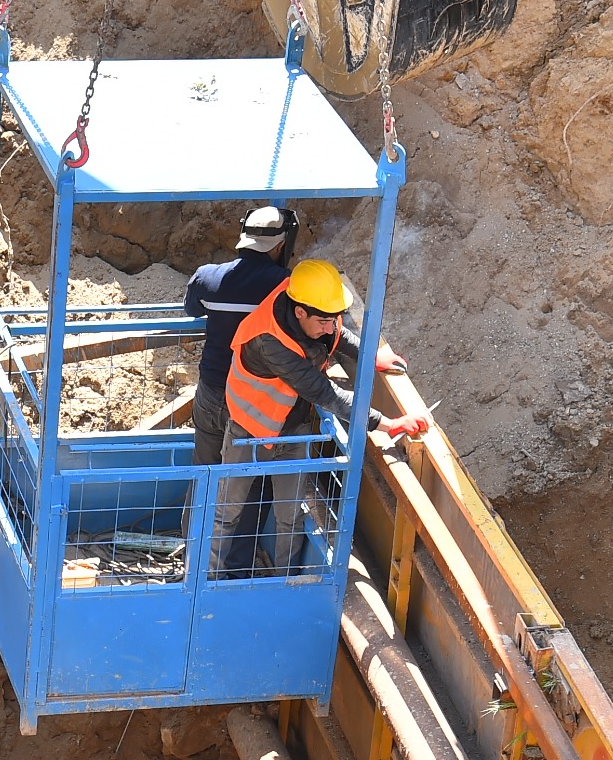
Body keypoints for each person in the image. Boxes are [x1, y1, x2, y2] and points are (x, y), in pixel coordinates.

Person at [214, 257, 428, 575]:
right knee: (227, 513)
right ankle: (206, 582)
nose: (330, 327)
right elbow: (325, 393)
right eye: (323, 322)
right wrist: (386, 423)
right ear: (300, 312)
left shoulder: (314, 305)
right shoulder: (270, 341)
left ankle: (283, 584)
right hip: (249, 431)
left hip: (294, 428)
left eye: (334, 318)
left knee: (290, 515)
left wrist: (371, 356)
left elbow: (336, 334)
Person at [182, 206, 298, 470]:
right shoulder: (288, 286)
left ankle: (196, 512)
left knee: (204, 474)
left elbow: (192, 309)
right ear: (280, 246)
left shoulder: (206, 276)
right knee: (244, 485)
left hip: (211, 389)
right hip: (256, 401)